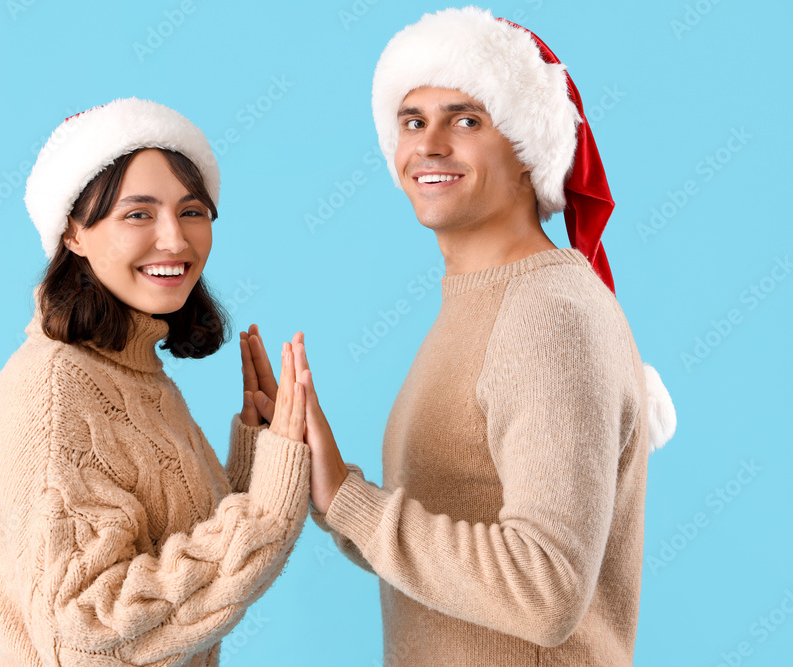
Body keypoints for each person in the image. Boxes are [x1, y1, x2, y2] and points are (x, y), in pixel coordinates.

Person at [246, 7, 678, 666]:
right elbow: (455, 569)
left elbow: (544, 589)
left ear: (529, 148)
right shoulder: (484, 301)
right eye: (413, 120)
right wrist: (322, 485)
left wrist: (350, 499)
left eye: (466, 119)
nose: (429, 143)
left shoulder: (545, 314)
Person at [0, 97, 313, 667]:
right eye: (138, 214)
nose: (176, 241)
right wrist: (269, 514)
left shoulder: (135, 371)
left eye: (192, 212)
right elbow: (85, 635)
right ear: (73, 233)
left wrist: (259, 461)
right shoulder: (55, 388)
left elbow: (165, 563)